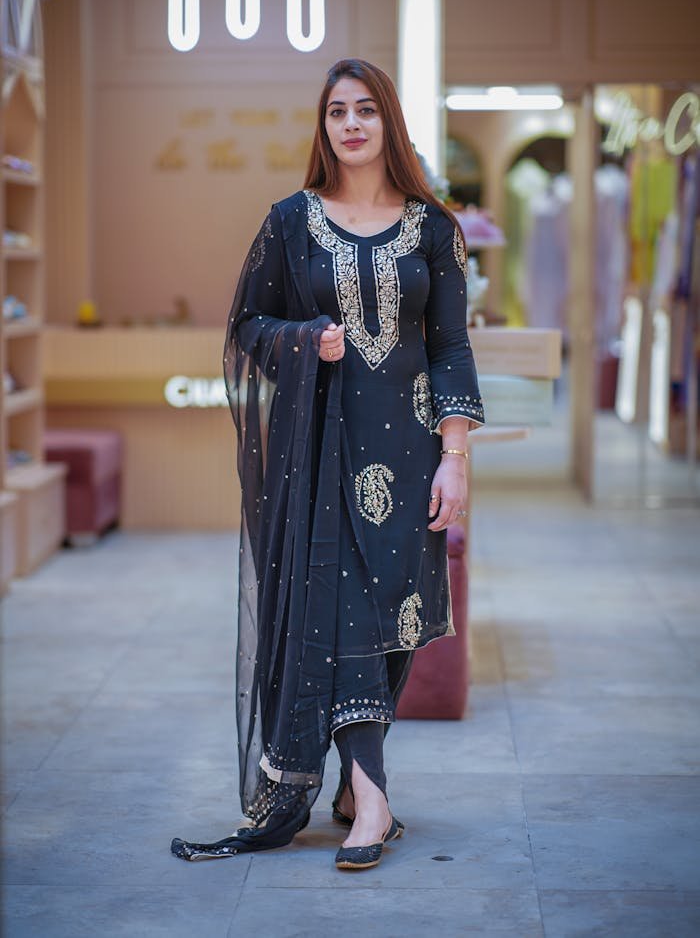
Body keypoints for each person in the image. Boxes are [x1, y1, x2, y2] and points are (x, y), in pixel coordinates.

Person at [171, 57, 484, 870]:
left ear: (389, 122)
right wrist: (308, 339)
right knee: (336, 613)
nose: (350, 124)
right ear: (324, 126)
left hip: (410, 452)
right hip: (318, 457)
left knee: (395, 618)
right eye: (337, 111)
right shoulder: (291, 223)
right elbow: (248, 326)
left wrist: (455, 458)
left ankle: (351, 788)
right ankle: (371, 798)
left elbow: (451, 348)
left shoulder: (434, 230)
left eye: (365, 110)